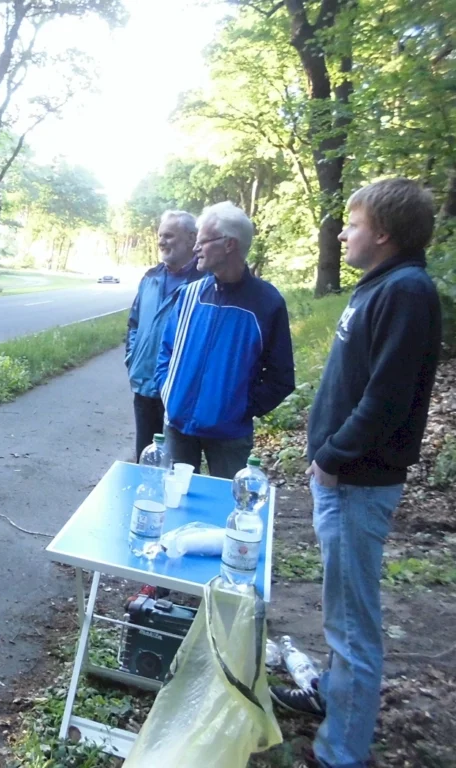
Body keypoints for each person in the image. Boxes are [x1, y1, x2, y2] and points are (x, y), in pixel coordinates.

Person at [271, 179, 442, 768]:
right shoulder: (382, 287)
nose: (342, 232)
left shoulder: (406, 292)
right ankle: (334, 699)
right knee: (340, 608)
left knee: (353, 622)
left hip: (358, 482)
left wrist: (331, 457)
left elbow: (386, 399)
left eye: (353, 222)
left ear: (385, 233)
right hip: (347, 478)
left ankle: (341, 751)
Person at [154, 201, 295, 479]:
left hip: (230, 436)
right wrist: (169, 393)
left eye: (202, 241)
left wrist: (238, 409)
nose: (195, 248)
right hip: (177, 427)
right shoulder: (189, 295)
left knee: (225, 512)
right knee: (172, 502)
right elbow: (166, 352)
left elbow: (281, 377)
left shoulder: (267, 303)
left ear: (228, 245)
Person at [125, 210, 202, 460]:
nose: (161, 242)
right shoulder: (150, 277)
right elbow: (134, 323)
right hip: (144, 388)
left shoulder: (206, 282)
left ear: (192, 238)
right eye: (160, 236)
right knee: (144, 461)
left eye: (169, 236)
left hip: (180, 393)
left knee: (177, 466)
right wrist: (132, 358)